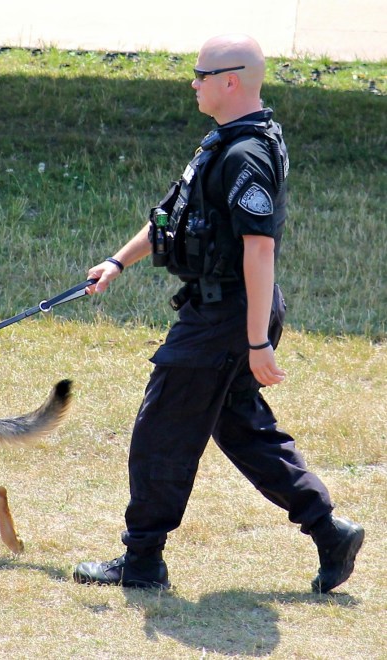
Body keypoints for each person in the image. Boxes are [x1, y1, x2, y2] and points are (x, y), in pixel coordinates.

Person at [72, 34, 364, 593]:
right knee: (241, 425)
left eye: (202, 74)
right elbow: (173, 216)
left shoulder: (245, 153)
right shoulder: (225, 141)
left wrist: (257, 343)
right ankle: (330, 531)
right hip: (227, 314)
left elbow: (260, 250)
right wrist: (118, 262)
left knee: (162, 431)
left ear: (232, 81)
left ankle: (142, 564)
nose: (194, 82)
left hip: (226, 317)